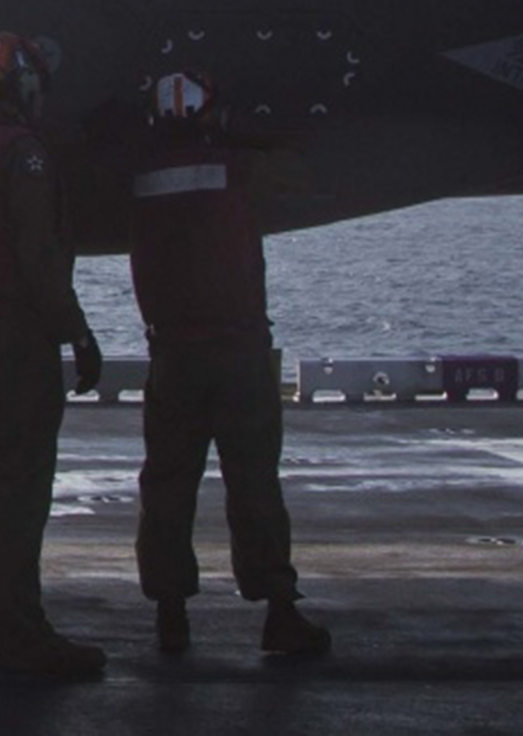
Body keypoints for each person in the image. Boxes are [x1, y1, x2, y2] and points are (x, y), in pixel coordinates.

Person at [127, 71, 329, 657]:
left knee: (166, 487)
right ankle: (278, 610)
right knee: (254, 486)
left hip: (172, 356)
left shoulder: (143, 177)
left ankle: (170, 614)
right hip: (237, 353)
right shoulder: (239, 168)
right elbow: (299, 170)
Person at [0, 31, 106, 677]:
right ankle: (19, 634)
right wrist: (79, 334)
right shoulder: (24, 155)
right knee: (17, 487)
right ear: (21, 84)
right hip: (15, 338)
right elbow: (37, 258)